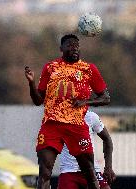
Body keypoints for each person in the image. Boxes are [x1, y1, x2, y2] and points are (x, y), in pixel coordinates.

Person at [24, 34, 110, 189]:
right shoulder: (50, 68)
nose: (74, 48)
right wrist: (31, 83)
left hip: (76, 126)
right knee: (44, 172)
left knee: (89, 173)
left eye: (76, 45)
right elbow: (38, 101)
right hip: (52, 125)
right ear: (61, 49)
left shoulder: (88, 69)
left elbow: (105, 98)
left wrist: (86, 101)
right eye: (69, 45)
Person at [58, 111, 116, 189]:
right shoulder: (58, 118)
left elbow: (107, 139)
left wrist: (108, 167)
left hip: (92, 169)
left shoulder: (90, 116)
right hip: (69, 171)